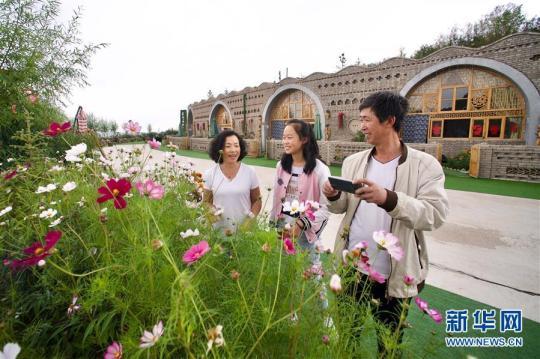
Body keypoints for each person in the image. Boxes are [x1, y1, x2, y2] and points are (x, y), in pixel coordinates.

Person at [322, 91, 449, 352]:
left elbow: (434, 214)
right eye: (360, 120)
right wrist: (334, 196)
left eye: (367, 119)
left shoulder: (425, 165)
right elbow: (343, 207)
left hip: (393, 277)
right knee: (347, 338)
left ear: (390, 120)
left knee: (388, 347)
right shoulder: (353, 162)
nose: (362, 126)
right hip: (352, 268)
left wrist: (388, 198)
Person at [270, 119, 331, 271]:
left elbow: (326, 208)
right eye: (283, 137)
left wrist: (301, 223)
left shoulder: (319, 170)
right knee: (282, 273)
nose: (285, 141)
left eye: (290, 137)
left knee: (309, 276)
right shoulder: (281, 166)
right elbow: (276, 199)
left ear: (304, 139)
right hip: (282, 230)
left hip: (305, 233)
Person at [203, 130, 262, 234]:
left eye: (236, 145)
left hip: (245, 231)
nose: (233, 150)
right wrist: (211, 211)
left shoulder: (250, 172)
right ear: (220, 149)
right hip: (219, 232)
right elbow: (206, 202)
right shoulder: (210, 174)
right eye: (228, 146)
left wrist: (250, 219)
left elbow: (257, 200)